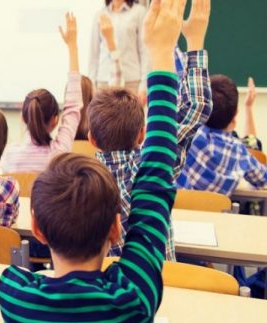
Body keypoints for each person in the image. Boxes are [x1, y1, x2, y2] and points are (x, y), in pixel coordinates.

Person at [0, 0, 222, 323]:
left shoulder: (15, 296)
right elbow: (152, 182)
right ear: (118, 228)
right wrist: (162, 53)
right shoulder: (135, 302)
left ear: (36, 228)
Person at [90, 0, 212, 260]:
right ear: (143, 134)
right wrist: (194, 42)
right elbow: (197, 107)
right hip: (158, 291)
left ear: (90, 138)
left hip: (105, 295)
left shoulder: (79, 182)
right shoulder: (157, 165)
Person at [0, 12, 83, 174]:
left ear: (23, 118)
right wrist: (72, 46)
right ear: (55, 120)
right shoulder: (59, 155)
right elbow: (73, 107)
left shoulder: (9, 155)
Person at [89, 0, 149, 94]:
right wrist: (91, 84)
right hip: (104, 81)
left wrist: (144, 85)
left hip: (131, 81)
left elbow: (145, 52)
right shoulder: (100, 14)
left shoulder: (139, 12)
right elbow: (93, 54)